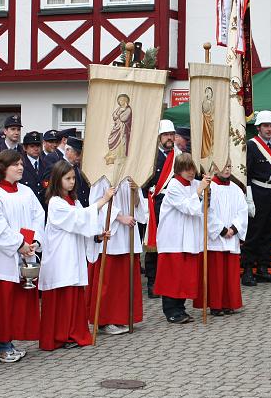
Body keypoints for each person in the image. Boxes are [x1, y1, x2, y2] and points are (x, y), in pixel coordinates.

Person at [39, 161, 116, 350]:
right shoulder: (56, 203)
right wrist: (103, 200)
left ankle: (72, 333)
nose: (72, 182)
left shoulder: (75, 201)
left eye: (73, 178)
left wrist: (97, 235)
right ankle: (60, 335)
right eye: (67, 179)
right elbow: (78, 218)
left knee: (73, 297)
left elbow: (82, 223)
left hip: (73, 255)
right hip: (60, 257)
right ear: (58, 180)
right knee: (62, 297)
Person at [0, 149, 46, 362]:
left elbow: (39, 215)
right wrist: (20, 244)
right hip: (2, 258)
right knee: (1, 303)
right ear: (2, 168)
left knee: (17, 303)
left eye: (20, 164)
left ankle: (9, 342)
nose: (20, 167)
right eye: (15, 164)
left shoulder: (26, 191)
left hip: (24, 253)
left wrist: (34, 241)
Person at [154, 153, 211, 324]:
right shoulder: (173, 186)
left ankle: (181, 307)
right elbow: (188, 208)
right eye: (186, 169)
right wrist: (200, 191)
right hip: (174, 238)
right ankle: (171, 310)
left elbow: (204, 206)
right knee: (172, 276)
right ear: (179, 170)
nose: (190, 172)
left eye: (192, 168)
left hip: (189, 237)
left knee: (185, 275)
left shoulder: (195, 183)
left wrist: (207, 190)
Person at [88, 177, 148, 334]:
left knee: (124, 279)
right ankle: (105, 320)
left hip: (128, 233)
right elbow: (95, 203)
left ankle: (123, 317)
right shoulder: (102, 177)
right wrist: (120, 217)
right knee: (109, 278)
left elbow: (138, 206)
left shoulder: (131, 176)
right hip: (112, 232)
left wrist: (135, 191)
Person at [192, 162, 248, 316]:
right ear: (215, 168)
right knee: (215, 273)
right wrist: (222, 230)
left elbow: (242, 211)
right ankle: (216, 305)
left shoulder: (236, 189)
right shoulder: (210, 188)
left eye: (230, 166)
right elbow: (206, 211)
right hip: (215, 238)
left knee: (230, 273)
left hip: (232, 236)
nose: (228, 169)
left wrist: (234, 229)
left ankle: (228, 303)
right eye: (224, 166)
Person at [241, 110, 271, 286]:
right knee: (255, 231)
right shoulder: (251, 146)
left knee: (270, 232)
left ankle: (263, 268)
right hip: (258, 191)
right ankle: (247, 270)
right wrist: (248, 197)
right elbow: (247, 174)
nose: (269, 129)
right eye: (265, 126)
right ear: (258, 127)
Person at [143, 119, 181, 299]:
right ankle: (152, 281)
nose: (169, 138)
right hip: (156, 202)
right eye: (166, 135)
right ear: (159, 137)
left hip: (175, 204)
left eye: (171, 135)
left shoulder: (179, 155)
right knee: (155, 244)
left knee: (172, 241)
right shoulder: (150, 156)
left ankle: (170, 279)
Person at [20, 131, 52, 209]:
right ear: (25, 148)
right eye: (32, 146)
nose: (36, 149)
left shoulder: (47, 164)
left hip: (44, 207)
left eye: (38, 145)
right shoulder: (20, 165)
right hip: (27, 207)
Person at [62, 136, 91, 206]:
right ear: (67, 150)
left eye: (81, 154)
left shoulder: (78, 167)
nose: (79, 157)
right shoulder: (59, 167)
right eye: (77, 154)